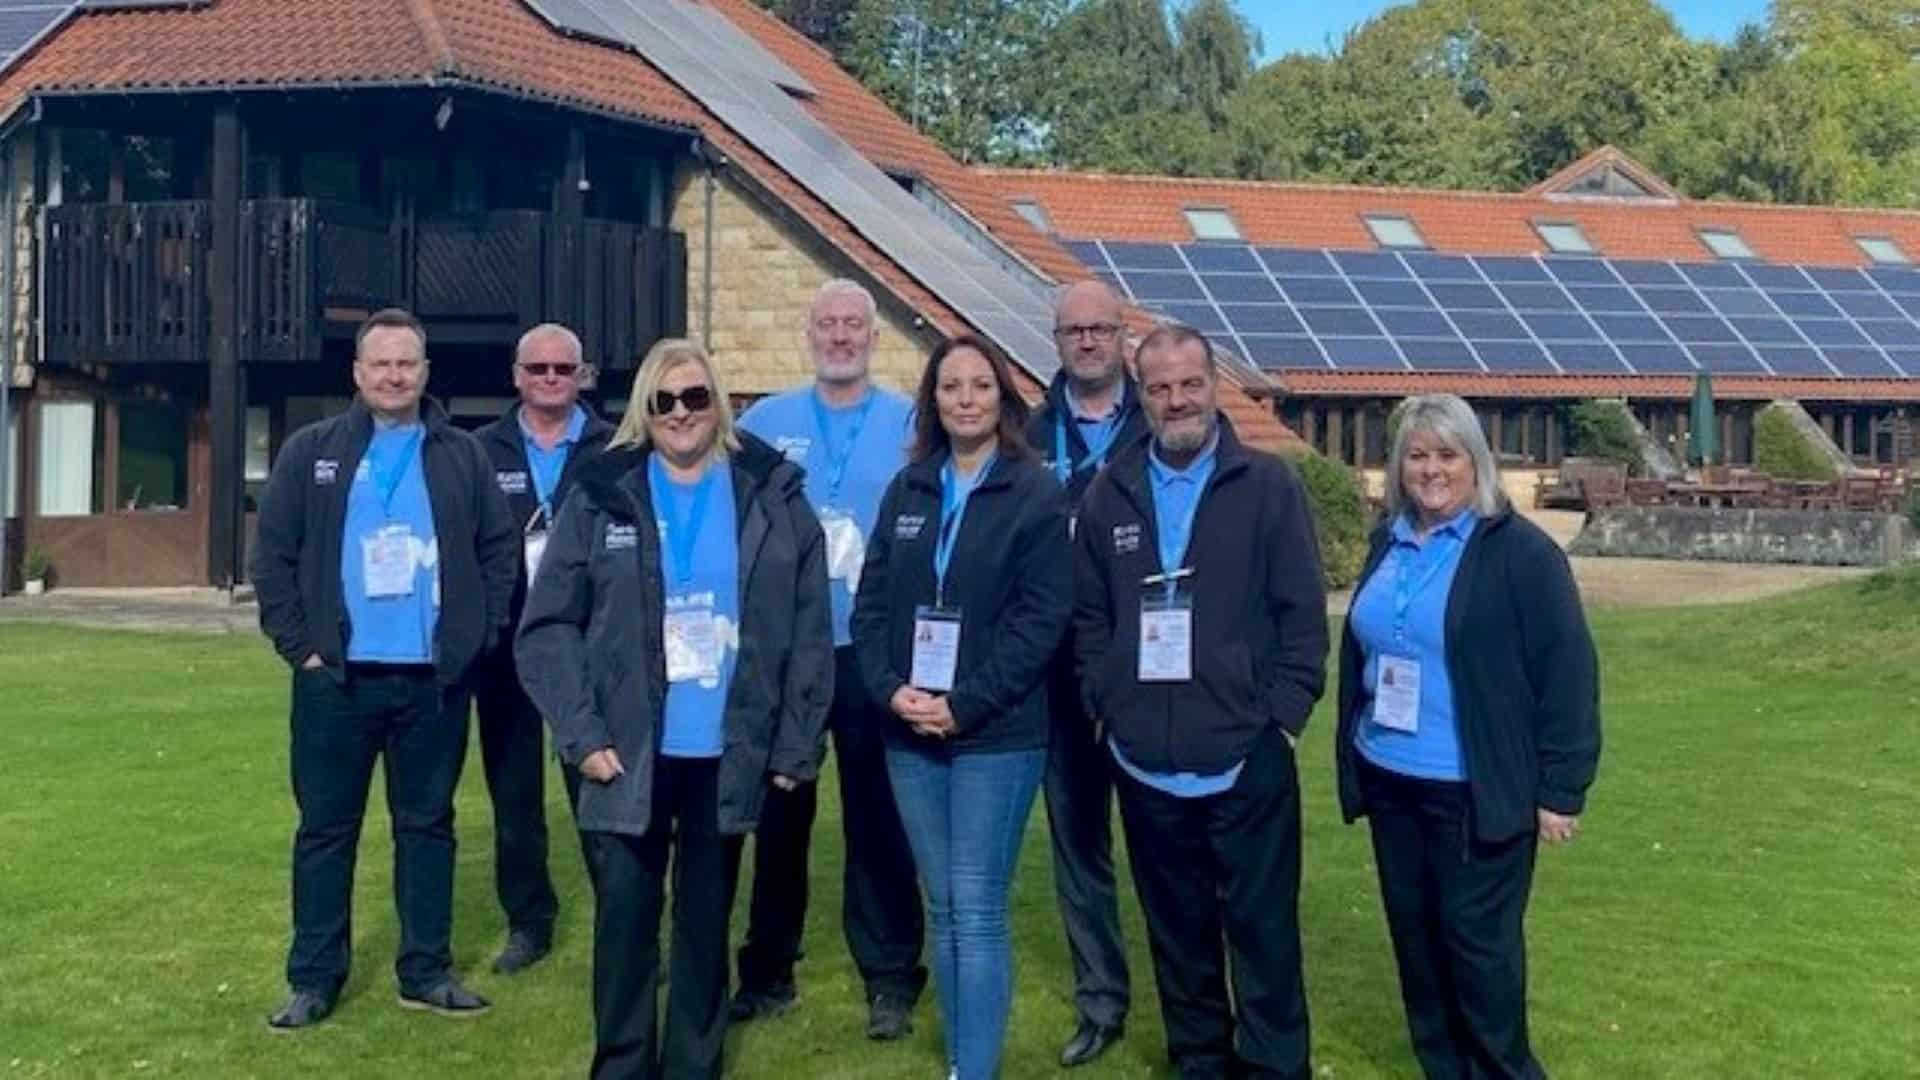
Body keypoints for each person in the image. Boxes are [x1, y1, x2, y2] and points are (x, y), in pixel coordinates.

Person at [516, 338, 833, 1079]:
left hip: (726, 749)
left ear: (718, 404)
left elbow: (809, 627)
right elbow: (548, 625)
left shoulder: (772, 492)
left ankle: (695, 1065)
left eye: (695, 397)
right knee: (625, 925)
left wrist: (794, 745)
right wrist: (581, 734)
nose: (681, 414)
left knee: (702, 926)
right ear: (643, 412)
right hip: (627, 751)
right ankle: (623, 1066)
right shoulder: (600, 492)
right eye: (664, 401)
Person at [250, 307, 517, 1031]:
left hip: (432, 681)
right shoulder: (314, 452)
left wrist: (477, 635)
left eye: (408, 362)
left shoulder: (461, 455)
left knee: (427, 826)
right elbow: (271, 555)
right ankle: (313, 978)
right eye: (381, 363)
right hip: (337, 679)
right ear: (358, 373)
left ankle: (425, 971)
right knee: (326, 831)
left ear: (426, 372)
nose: (395, 375)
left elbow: (500, 552)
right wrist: (300, 647)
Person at [1073, 324, 1327, 1079]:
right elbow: (1089, 618)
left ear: (1214, 386)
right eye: (1159, 387)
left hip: (1247, 759)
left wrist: (1281, 720)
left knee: (1263, 938)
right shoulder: (1110, 490)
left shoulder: (1268, 485)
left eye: (1190, 384)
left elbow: (1302, 616)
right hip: (1146, 761)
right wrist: (1106, 704)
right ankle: (1200, 1065)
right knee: (1178, 938)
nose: (1176, 399)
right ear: (1140, 395)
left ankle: (1276, 1068)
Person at [1335, 393, 1600, 1080]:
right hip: (1391, 778)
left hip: (1475, 793)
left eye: (1447, 455)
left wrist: (1561, 787)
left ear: (1475, 461)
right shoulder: (1387, 540)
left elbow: (1567, 672)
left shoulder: (1521, 554)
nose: (1431, 470)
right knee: (1419, 954)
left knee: (1480, 961)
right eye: (1416, 455)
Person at [851, 333, 1072, 1080]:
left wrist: (967, 703)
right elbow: (870, 606)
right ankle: (960, 1058)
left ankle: (973, 1072)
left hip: (995, 735)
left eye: (981, 386)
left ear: (1003, 399)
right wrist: (890, 690)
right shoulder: (909, 487)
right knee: (942, 906)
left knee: (975, 907)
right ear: (933, 400)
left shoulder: (1035, 490)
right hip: (910, 731)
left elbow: (1043, 618)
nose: (966, 400)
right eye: (951, 387)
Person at [729, 280, 926, 1037]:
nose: (840, 336)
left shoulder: (910, 423)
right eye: (828, 324)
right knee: (779, 814)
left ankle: (890, 976)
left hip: (874, 652)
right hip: (787, 651)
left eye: (854, 325)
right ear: (808, 334)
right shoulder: (763, 423)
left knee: (880, 816)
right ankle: (768, 970)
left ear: (873, 337)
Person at [1023, 280, 1147, 1068]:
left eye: (1102, 328)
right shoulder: (1027, 434)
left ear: (1122, 335)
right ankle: (1101, 1000)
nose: (1089, 341)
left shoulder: (1168, 419)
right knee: (1079, 850)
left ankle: (1198, 1001)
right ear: (1058, 340)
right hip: (1057, 675)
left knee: (1170, 849)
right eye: (1075, 330)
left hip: (1149, 672)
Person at [469, 323, 615, 975]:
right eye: (539, 369)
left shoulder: (619, 449)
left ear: (583, 376)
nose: (551, 379)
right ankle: (529, 922)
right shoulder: (479, 452)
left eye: (564, 370)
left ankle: (625, 915)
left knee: (601, 791)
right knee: (514, 797)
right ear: (516, 375)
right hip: (506, 653)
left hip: (590, 651)